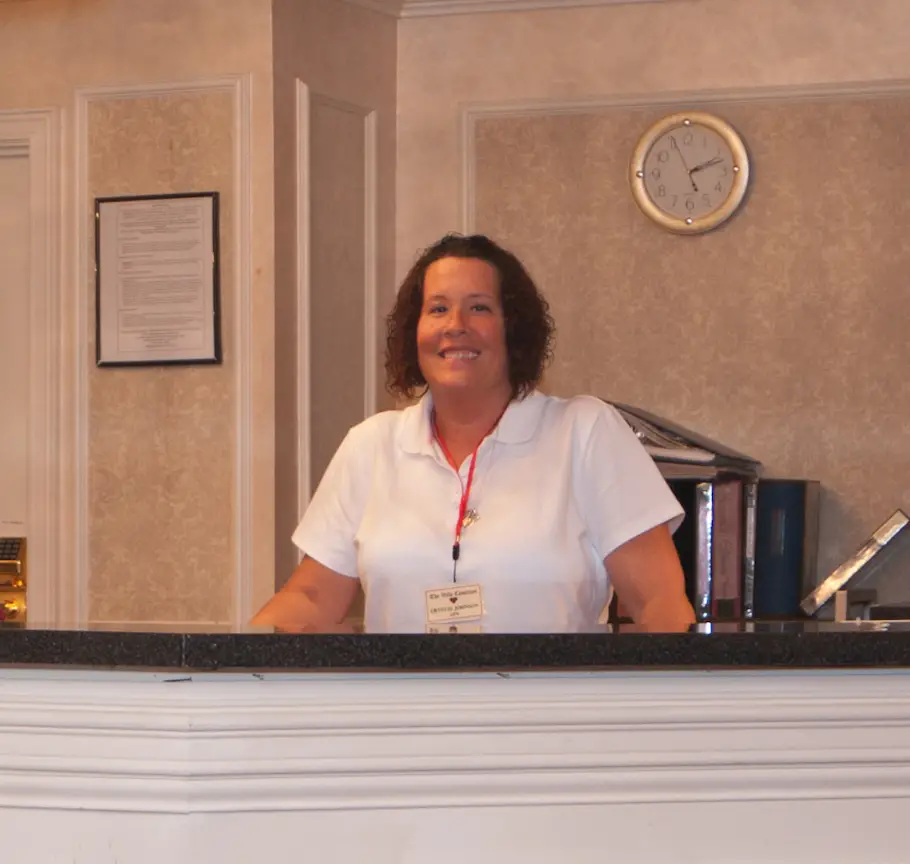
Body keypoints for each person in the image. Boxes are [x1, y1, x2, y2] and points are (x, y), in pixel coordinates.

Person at [252, 234, 695, 634]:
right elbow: (310, 598)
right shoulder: (371, 445)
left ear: (513, 328)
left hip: (550, 719)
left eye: (479, 307)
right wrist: (224, 669)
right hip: (402, 719)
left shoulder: (586, 431)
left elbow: (659, 603)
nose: (455, 325)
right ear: (415, 331)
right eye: (438, 308)